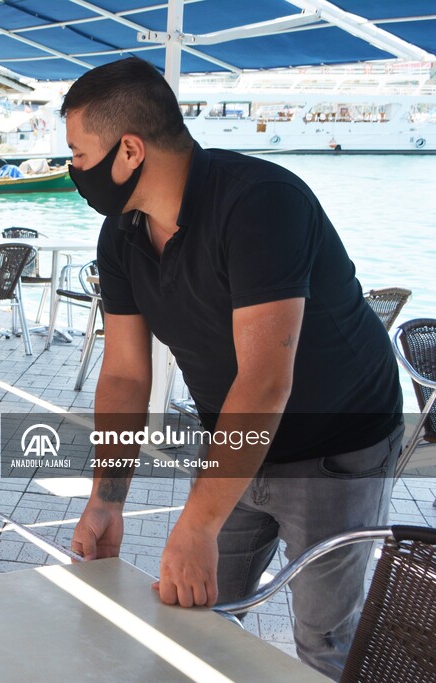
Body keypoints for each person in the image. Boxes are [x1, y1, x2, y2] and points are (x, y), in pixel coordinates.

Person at [64, 58, 402, 679]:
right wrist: (107, 500)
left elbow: (266, 380)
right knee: (195, 617)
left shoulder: (261, 203)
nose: (73, 171)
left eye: (79, 154)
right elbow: (124, 376)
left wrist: (197, 526)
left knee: (325, 645)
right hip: (238, 437)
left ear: (129, 150)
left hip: (338, 444)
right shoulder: (122, 235)